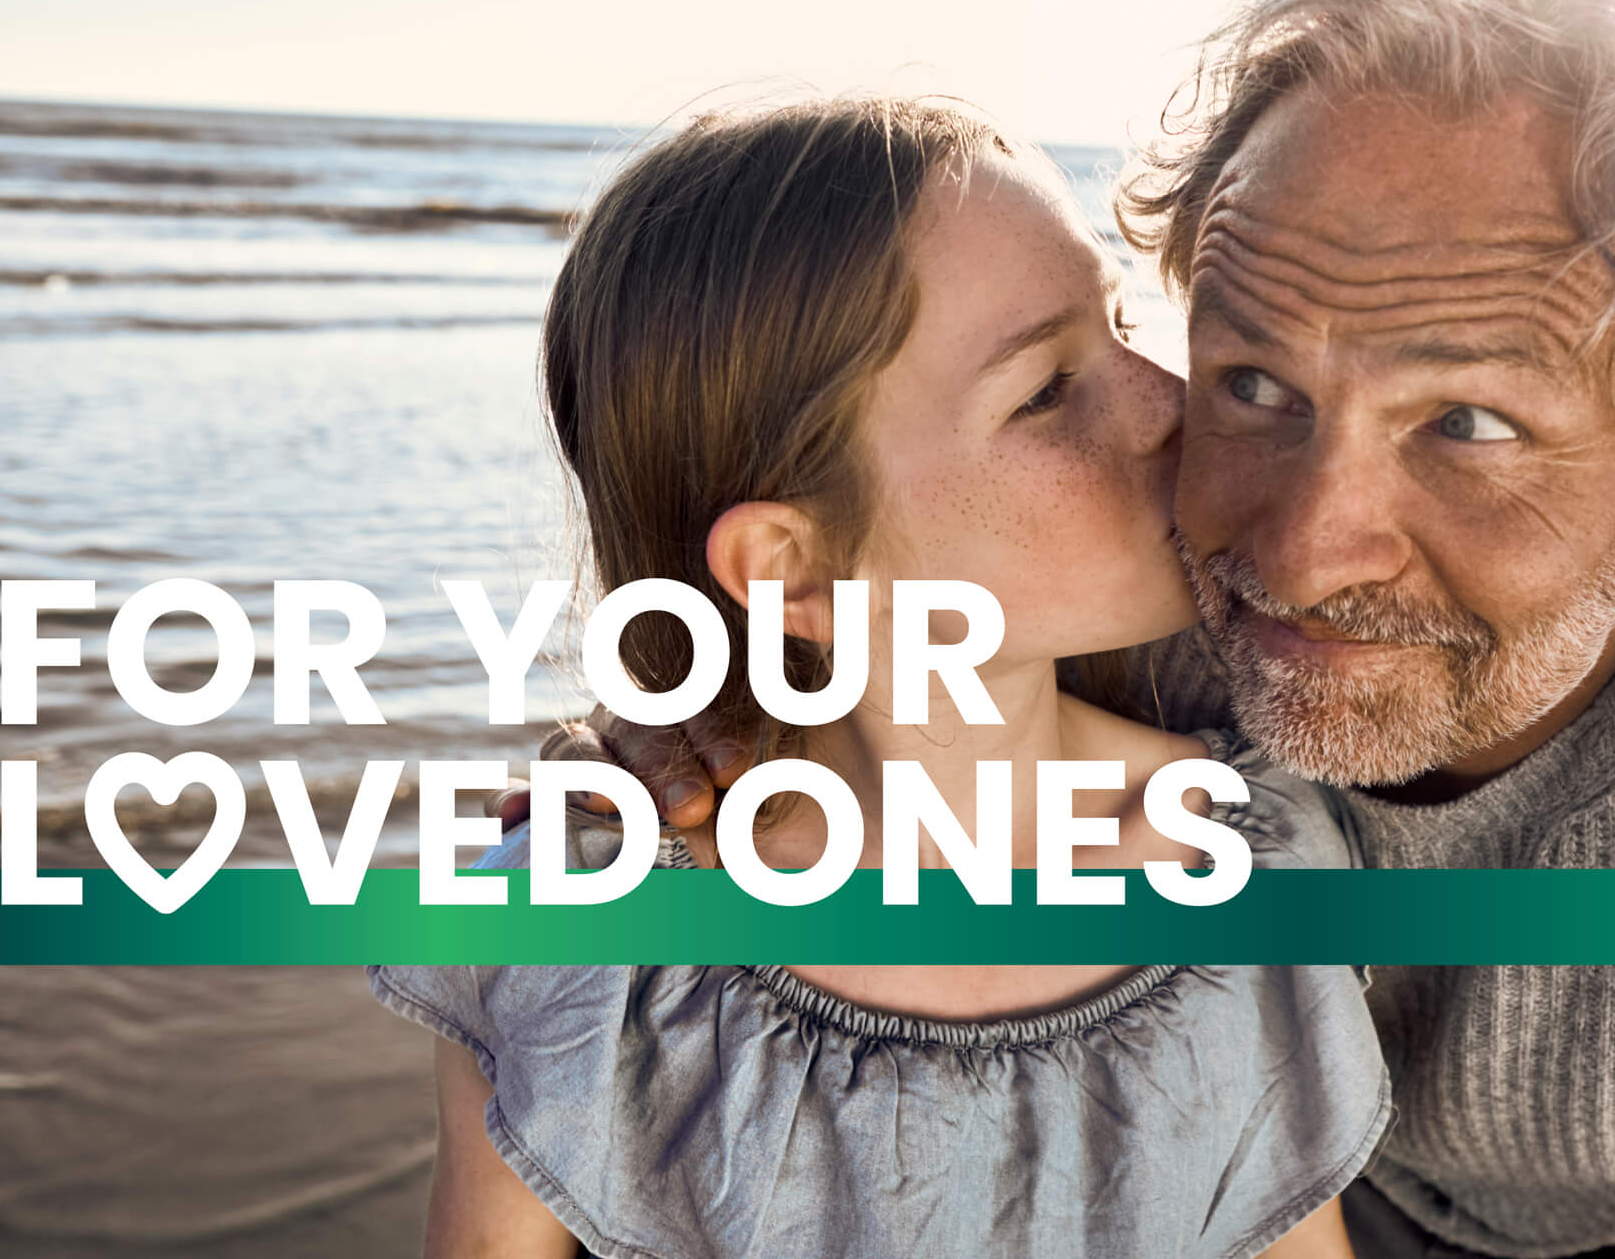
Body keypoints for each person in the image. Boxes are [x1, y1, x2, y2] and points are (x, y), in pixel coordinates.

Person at [545, 0, 1615, 1256]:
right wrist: (708, 719)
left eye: (1471, 425)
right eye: (1252, 381)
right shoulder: (1147, 550)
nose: (1300, 548)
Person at [372, 97, 1391, 1258]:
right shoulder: (577, 938)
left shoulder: (1263, 867)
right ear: (794, 568)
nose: (1168, 399)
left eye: (1117, 322)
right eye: (1045, 390)